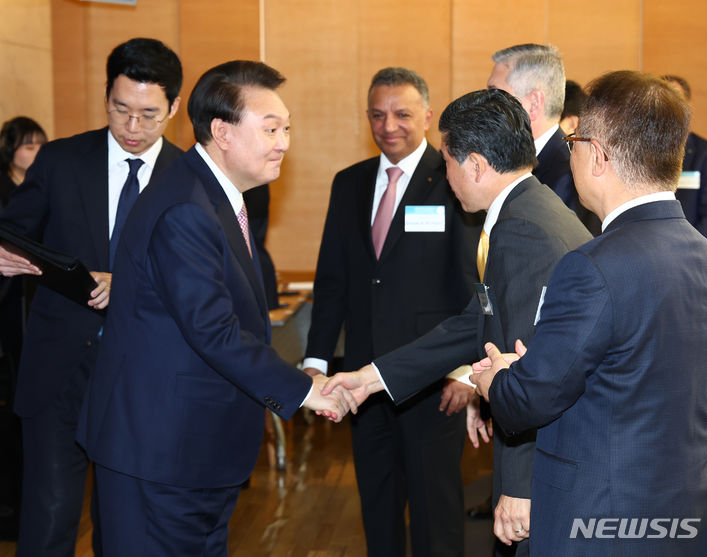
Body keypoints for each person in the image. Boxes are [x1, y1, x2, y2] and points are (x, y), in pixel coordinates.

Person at [77, 60, 355, 557]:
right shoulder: (187, 206)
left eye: (286, 128)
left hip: (191, 451)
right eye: (270, 129)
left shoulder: (213, 195)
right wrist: (304, 390)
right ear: (222, 132)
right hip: (160, 453)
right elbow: (214, 331)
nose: (284, 142)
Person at [322, 88, 591, 556]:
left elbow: (532, 371)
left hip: (549, 458)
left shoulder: (525, 229)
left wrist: (519, 487)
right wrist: (372, 378)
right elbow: (476, 322)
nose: (445, 176)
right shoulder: (522, 212)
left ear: (477, 166)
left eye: (447, 161)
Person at [474, 71, 707, 556]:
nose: (571, 154)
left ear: (600, 155)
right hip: (685, 521)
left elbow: (528, 402)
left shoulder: (592, 266)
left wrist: (498, 378)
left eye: (575, 140)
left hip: (602, 527)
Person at [0, 37, 184, 556]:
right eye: (120, 109)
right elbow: (13, 233)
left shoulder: (190, 179)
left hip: (144, 378)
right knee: (50, 518)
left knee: (128, 531)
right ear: (106, 95)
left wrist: (131, 282)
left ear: (173, 107)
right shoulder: (59, 161)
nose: (132, 128)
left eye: (149, 115)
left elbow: (205, 281)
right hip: (59, 370)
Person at [302, 67, 482, 557]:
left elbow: (472, 284)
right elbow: (332, 282)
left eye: (402, 114)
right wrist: (316, 362)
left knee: (435, 510)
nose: (389, 125)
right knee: (377, 505)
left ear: (427, 115)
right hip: (362, 379)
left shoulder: (452, 180)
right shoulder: (350, 183)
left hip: (433, 380)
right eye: (378, 115)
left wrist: (467, 372)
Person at [488, 43, 600, 236]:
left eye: (496, 95)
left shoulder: (569, 176)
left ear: (533, 104)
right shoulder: (507, 163)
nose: (487, 106)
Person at [0, 115, 46, 539]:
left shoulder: (42, 187)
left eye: (39, 145)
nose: (35, 153)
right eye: (28, 146)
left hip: (33, 305)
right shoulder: (4, 195)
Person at [661, 74, 707, 239]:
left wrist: (690, 246)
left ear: (687, 105)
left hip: (690, 246)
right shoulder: (640, 150)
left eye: (675, 98)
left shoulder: (705, 152)